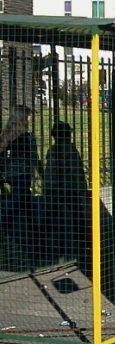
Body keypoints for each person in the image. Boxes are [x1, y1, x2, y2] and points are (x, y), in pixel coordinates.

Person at [43, 121, 88, 261]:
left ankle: (48, 243)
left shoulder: (52, 150)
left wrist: (47, 187)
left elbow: (49, 172)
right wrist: (82, 188)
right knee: (77, 215)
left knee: (53, 216)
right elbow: (76, 172)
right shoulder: (70, 150)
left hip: (54, 189)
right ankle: (83, 242)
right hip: (70, 188)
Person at [0, 105, 41, 244]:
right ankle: (3, 225)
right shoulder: (28, 135)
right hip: (23, 174)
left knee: (26, 200)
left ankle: (35, 229)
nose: (30, 118)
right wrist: (41, 172)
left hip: (10, 174)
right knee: (17, 201)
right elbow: (34, 156)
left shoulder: (6, 134)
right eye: (28, 115)